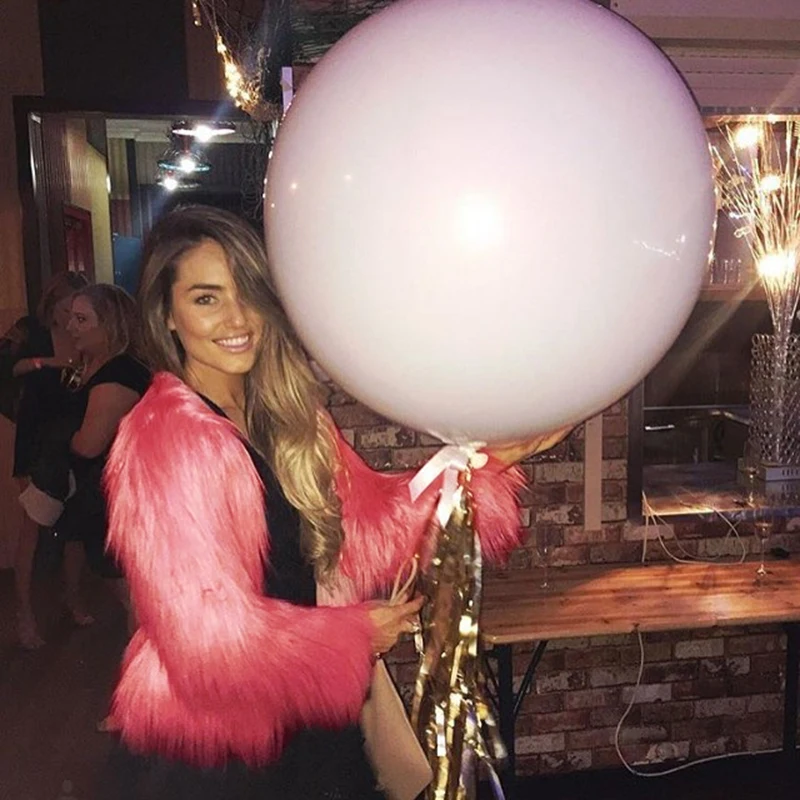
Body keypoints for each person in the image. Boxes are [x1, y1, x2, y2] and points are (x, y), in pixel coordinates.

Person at [101, 206, 565, 800]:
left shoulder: (286, 418)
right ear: (167, 314)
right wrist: (353, 637)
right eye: (206, 299)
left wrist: (486, 461)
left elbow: (370, 529)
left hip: (306, 719)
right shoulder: (167, 437)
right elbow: (204, 643)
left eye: (248, 293)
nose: (237, 319)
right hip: (222, 751)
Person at [0, 270, 88, 649]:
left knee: (76, 524)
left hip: (76, 437)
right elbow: (7, 367)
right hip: (37, 440)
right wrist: (48, 362)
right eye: (66, 308)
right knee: (32, 526)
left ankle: (72, 598)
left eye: (78, 310)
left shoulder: (85, 332)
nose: (70, 317)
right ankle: (24, 614)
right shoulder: (31, 330)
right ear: (52, 304)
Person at [55, 284, 150, 625]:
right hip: (105, 495)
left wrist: (57, 436)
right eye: (71, 318)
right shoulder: (98, 365)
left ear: (111, 324)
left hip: (118, 498)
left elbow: (89, 445)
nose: (71, 326)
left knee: (137, 603)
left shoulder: (118, 373)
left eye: (82, 319)